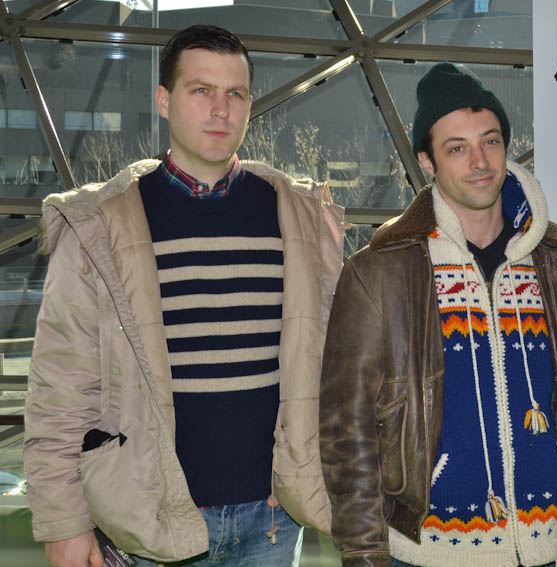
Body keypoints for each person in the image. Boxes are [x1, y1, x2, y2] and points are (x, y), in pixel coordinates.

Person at [24, 24, 343, 567]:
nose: (221, 110)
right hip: (146, 520)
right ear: (164, 100)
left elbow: (338, 365)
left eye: (235, 94)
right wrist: (64, 523)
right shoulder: (99, 225)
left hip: (269, 520)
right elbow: (61, 388)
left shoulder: (301, 217)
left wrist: (306, 467)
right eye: (201, 91)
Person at [319, 62, 557, 567]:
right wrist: (364, 554)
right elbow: (347, 431)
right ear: (427, 161)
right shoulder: (380, 273)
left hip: (539, 550)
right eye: (456, 147)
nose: (479, 161)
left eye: (490, 141)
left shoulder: (555, 267)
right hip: (425, 554)